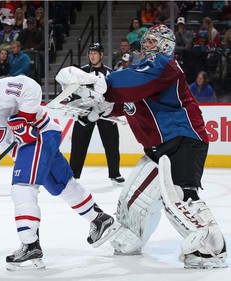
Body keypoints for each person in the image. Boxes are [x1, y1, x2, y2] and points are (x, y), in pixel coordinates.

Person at [57, 24, 227, 269]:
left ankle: (212, 250)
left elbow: (129, 84)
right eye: (145, 42)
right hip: (157, 149)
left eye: (150, 42)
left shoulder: (164, 65)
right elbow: (122, 101)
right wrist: (91, 106)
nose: (144, 46)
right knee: (132, 204)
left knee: (180, 197)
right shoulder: (140, 76)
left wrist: (98, 82)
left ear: (164, 45)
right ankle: (131, 238)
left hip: (182, 139)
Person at [0, 61, 118, 270]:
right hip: (30, 143)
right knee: (61, 185)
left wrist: (25, 119)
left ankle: (30, 244)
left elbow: (29, 86)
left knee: (22, 187)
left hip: (38, 135)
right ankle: (100, 219)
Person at [69, 43, 124, 186]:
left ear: (101, 55)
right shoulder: (81, 72)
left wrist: (113, 111)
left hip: (105, 112)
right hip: (85, 112)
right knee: (78, 144)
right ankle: (73, 174)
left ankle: (115, 174)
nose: (92, 56)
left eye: (95, 53)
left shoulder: (110, 73)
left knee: (112, 143)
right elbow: (72, 91)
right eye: (90, 53)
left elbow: (116, 94)